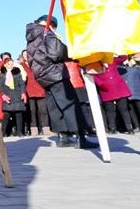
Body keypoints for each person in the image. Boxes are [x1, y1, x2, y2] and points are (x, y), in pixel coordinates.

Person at [25, 15, 98, 149]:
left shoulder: (31, 38)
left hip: (42, 76)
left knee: (55, 107)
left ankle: (62, 137)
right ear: (50, 24)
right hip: (55, 74)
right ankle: (81, 137)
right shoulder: (46, 33)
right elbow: (57, 52)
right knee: (70, 104)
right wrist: (71, 52)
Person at [95, 58, 135, 134]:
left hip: (119, 88)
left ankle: (129, 128)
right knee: (110, 110)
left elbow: (123, 57)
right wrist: (100, 84)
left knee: (124, 109)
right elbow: (93, 75)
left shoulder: (111, 59)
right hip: (106, 89)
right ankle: (112, 128)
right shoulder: (94, 63)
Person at [21, 50, 48, 136]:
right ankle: (34, 129)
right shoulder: (21, 66)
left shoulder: (36, 63)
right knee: (32, 111)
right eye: (25, 55)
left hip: (40, 89)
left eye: (28, 54)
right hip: (29, 91)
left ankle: (46, 128)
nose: (27, 56)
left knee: (43, 110)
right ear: (22, 56)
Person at [0, 59, 27, 137]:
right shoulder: (2, 75)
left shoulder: (17, 73)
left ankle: (19, 132)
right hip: (7, 96)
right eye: (9, 64)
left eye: (12, 64)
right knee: (6, 114)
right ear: (5, 65)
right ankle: (3, 133)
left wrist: (23, 93)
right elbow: (0, 85)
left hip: (17, 95)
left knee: (19, 114)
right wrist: (3, 95)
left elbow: (22, 84)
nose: (11, 66)